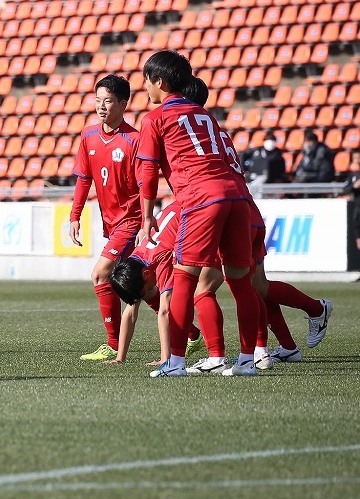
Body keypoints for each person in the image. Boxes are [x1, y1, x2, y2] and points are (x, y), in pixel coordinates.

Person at [184, 77, 332, 368]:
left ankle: (229, 355)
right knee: (256, 286)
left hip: (220, 211)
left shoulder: (189, 134)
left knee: (206, 289)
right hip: (245, 208)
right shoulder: (216, 131)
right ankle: (286, 342)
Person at [136, 50, 259, 377]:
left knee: (184, 279)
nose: (144, 87)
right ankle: (247, 361)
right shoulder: (204, 114)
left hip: (201, 197)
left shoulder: (155, 118)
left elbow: (147, 172)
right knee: (241, 282)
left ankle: (174, 362)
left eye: (146, 80)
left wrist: (147, 218)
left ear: (159, 82)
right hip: (235, 196)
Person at [67, 74, 141, 361]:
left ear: (123, 104)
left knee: (100, 274)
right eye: (97, 100)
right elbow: (84, 179)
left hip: (131, 221)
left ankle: (112, 344)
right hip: (112, 223)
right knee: (140, 286)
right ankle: (192, 336)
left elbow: (145, 185)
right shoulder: (88, 136)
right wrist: (75, 216)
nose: (101, 106)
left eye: (107, 101)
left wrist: (146, 221)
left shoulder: (134, 140)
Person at [107, 201, 206, 368]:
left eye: (145, 288)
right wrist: (120, 357)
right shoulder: (136, 259)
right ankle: (195, 336)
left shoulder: (160, 257)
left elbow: (165, 310)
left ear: (146, 274)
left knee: (206, 288)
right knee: (150, 294)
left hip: (199, 211)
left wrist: (164, 359)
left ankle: (231, 352)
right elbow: (130, 310)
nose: (146, 292)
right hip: (185, 209)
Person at [242, 131, 286, 195]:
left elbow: (281, 170)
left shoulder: (278, 154)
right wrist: (244, 170)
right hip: (253, 176)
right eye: (268, 140)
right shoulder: (257, 150)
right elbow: (243, 155)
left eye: (272, 140)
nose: (270, 142)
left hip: (270, 180)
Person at [343, 151, 360, 252]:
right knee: (357, 228)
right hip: (358, 207)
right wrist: (354, 186)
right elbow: (345, 189)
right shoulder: (354, 175)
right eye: (355, 157)